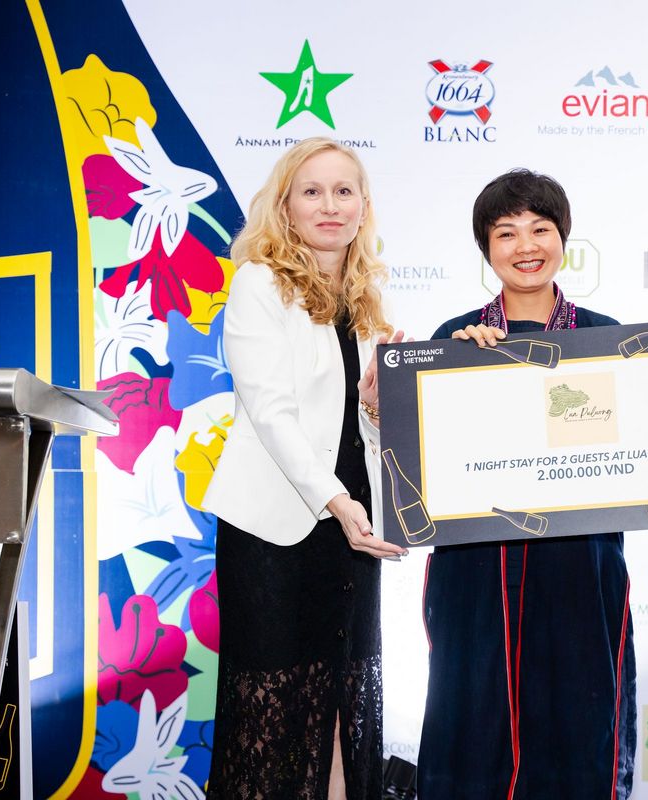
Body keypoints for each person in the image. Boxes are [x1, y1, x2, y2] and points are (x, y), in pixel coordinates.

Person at [417, 169, 636, 800]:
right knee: (470, 714)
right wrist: (461, 367)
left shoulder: (604, 335)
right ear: (486, 248)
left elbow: (631, 455)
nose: (526, 246)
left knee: (579, 716)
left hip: (579, 559)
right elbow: (426, 461)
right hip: (475, 564)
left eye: (540, 229)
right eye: (506, 233)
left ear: (563, 237)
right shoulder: (454, 338)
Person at [202, 137, 406, 798]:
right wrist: (337, 502)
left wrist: (373, 406)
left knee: (346, 702)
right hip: (276, 533)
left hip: (353, 533)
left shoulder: (367, 296)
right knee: (272, 717)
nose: (329, 205)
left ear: (363, 206)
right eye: (312, 191)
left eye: (344, 191)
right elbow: (271, 411)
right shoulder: (259, 283)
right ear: (285, 205)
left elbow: (353, 424)